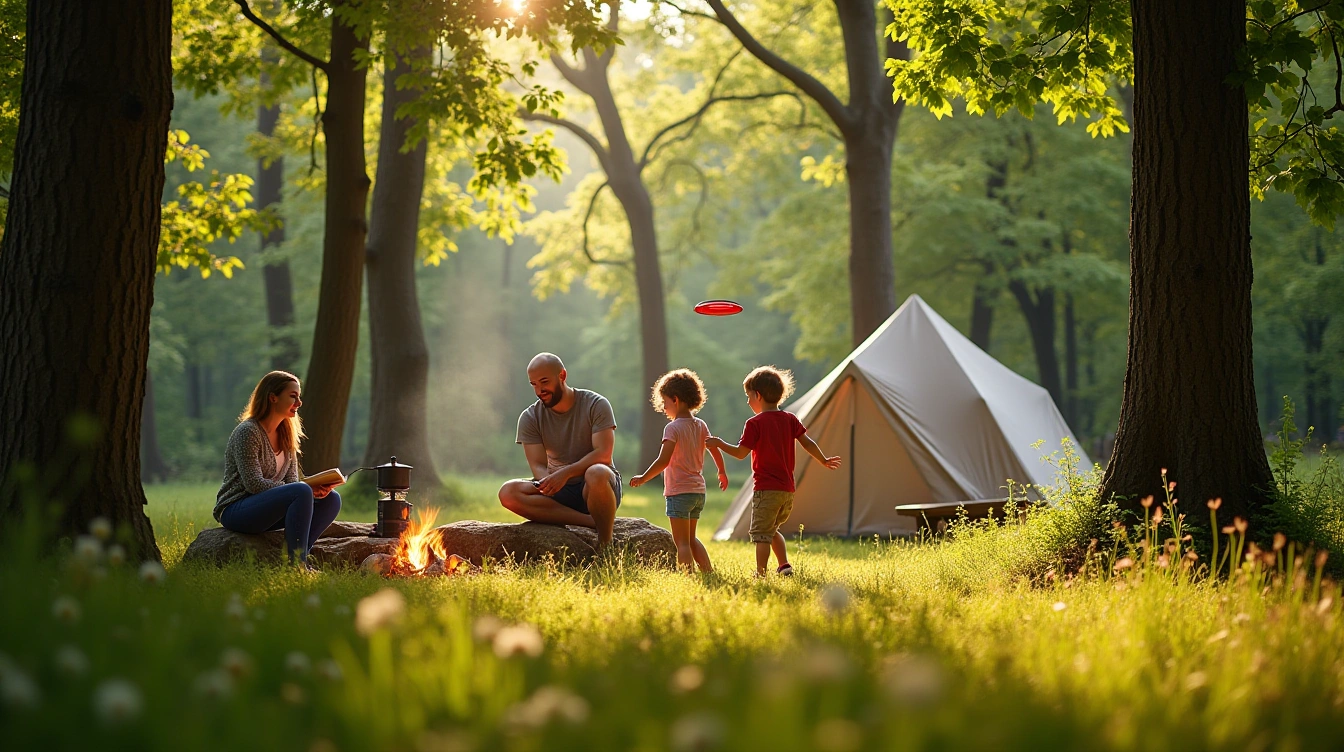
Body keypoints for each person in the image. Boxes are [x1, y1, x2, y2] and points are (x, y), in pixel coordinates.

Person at [708, 366, 841, 578]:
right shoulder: (790, 419)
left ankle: (760, 574)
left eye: (748, 396)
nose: (747, 401)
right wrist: (823, 459)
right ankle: (784, 566)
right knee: (771, 530)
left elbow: (741, 453)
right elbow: (807, 443)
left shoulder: (754, 423)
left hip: (766, 489)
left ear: (757, 395)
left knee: (761, 535)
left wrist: (719, 443)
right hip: (787, 490)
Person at [213, 371, 340, 568]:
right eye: (293, 396)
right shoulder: (248, 432)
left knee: (332, 499)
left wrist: (313, 490)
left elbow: (292, 484)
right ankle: (296, 566)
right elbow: (254, 484)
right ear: (273, 398)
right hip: (237, 511)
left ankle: (300, 554)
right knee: (301, 490)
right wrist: (300, 490)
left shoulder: (287, 434)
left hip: (268, 512)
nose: (299, 402)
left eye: (299, 397)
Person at [497, 353, 622, 548]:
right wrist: (548, 483)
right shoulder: (530, 417)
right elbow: (538, 465)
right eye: (534, 384)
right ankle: (592, 522)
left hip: (597, 486)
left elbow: (603, 454)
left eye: (544, 382)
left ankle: (605, 544)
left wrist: (566, 473)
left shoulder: (596, 404)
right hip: (559, 489)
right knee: (508, 492)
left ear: (562, 375)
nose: (539, 390)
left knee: (596, 472)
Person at [629, 369, 728, 573]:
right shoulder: (700, 425)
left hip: (679, 492)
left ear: (675, 399)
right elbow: (713, 448)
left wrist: (644, 478)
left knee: (681, 542)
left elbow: (663, 460)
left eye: (664, 403)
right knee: (691, 539)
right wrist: (721, 472)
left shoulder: (672, 428)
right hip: (698, 492)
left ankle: (688, 576)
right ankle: (708, 573)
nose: (664, 408)